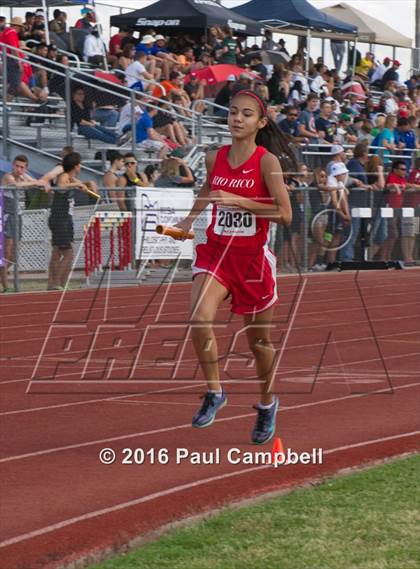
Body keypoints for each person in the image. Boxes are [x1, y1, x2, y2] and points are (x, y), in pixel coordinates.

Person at [174, 90, 293, 444]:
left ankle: (268, 404)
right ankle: (215, 392)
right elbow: (209, 190)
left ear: (261, 122)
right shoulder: (215, 157)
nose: (237, 119)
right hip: (217, 254)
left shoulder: (266, 162)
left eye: (245, 114)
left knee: (259, 343)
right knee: (198, 316)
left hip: (252, 261)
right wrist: (187, 220)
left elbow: (284, 215)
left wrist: (241, 200)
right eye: (232, 113)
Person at [1, 155, 47, 292]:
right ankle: (6, 286)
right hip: (7, 216)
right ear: (13, 166)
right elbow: (15, 185)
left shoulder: (24, 177)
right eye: (17, 166)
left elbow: (39, 182)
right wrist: (33, 183)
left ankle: (1, 274)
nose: (19, 169)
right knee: (7, 252)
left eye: (22, 167)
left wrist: (43, 184)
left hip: (19, 216)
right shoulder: (8, 177)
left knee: (15, 253)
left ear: (26, 168)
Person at [47, 152, 93, 290]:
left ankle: (53, 283)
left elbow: (81, 184)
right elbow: (61, 186)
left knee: (57, 252)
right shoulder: (64, 176)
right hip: (60, 218)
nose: (81, 168)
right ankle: (57, 283)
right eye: (80, 165)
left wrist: (87, 184)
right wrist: (76, 186)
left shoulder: (71, 177)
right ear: (75, 165)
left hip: (65, 218)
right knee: (68, 253)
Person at [340, 143, 372, 262]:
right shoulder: (354, 164)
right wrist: (363, 185)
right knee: (351, 232)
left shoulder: (360, 165)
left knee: (356, 232)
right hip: (353, 203)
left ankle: (348, 257)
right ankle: (346, 258)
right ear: (363, 153)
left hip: (359, 204)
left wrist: (367, 186)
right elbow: (349, 181)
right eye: (367, 152)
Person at [381, 160, 408, 261]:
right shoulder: (392, 176)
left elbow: (406, 185)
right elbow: (388, 185)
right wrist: (396, 186)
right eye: (402, 169)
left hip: (397, 210)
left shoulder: (402, 178)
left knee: (392, 235)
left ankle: (387, 257)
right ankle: (384, 258)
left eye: (405, 169)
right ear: (395, 170)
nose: (404, 171)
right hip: (390, 209)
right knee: (391, 234)